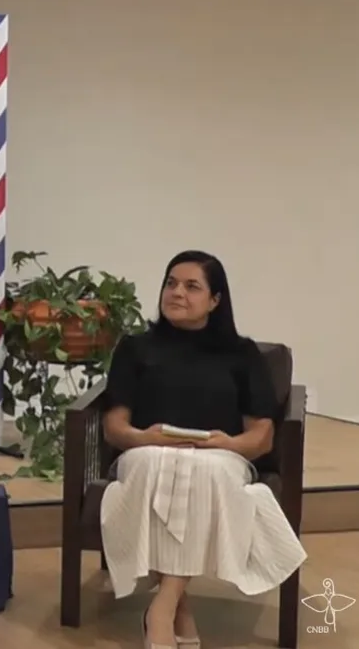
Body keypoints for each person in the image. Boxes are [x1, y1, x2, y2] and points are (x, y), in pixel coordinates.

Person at [99, 250, 307, 649]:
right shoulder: (135, 348)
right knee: (153, 466)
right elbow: (115, 426)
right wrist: (146, 438)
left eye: (191, 286)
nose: (177, 292)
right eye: (171, 283)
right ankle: (179, 608)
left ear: (215, 300)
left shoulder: (242, 355)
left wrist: (228, 444)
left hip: (220, 456)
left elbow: (261, 435)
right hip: (146, 450)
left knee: (207, 471)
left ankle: (161, 608)